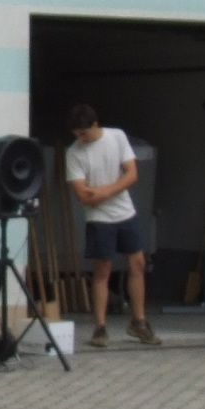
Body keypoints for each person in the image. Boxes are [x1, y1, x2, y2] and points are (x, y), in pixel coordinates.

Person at [66, 105, 159, 348]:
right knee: (102, 270)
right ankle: (100, 327)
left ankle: (139, 322)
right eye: (77, 135)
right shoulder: (74, 153)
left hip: (125, 212)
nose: (81, 139)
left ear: (95, 125)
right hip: (99, 219)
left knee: (137, 264)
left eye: (84, 134)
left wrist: (104, 191)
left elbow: (132, 174)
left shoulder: (117, 136)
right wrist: (107, 190)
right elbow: (83, 194)